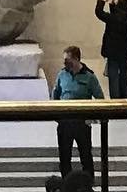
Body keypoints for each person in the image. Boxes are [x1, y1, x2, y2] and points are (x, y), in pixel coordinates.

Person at [50, 44, 103, 179]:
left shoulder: (89, 76)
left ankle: (88, 184)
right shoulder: (62, 74)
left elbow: (100, 98)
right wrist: (57, 115)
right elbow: (55, 95)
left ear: (76, 59)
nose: (65, 63)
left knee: (85, 156)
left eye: (68, 60)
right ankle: (66, 185)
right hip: (65, 123)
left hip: (81, 123)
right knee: (64, 156)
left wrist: (91, 118)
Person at [95, 0, 127, 99]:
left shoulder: (113, 18)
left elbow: (99, 13)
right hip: (124, 52)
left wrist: (102, 0)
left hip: (112, 53)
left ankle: (115, 98)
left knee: (113, 77)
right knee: (124, 75)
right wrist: (112, 5)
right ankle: (126, 97)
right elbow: (116, 16)